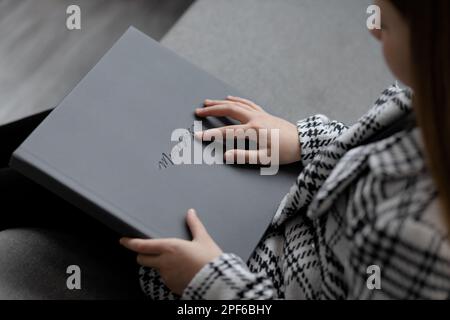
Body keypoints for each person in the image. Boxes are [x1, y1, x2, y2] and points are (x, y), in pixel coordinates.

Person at [1, 0, 449, 299]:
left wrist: (207, 280)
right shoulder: (428, 93)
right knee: (73, 125)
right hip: (275, 207)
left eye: (386, 23)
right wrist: (301, 140)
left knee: (61, 169)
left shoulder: (414, 236)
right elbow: (370, 140)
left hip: (233, 277)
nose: (372, 30)